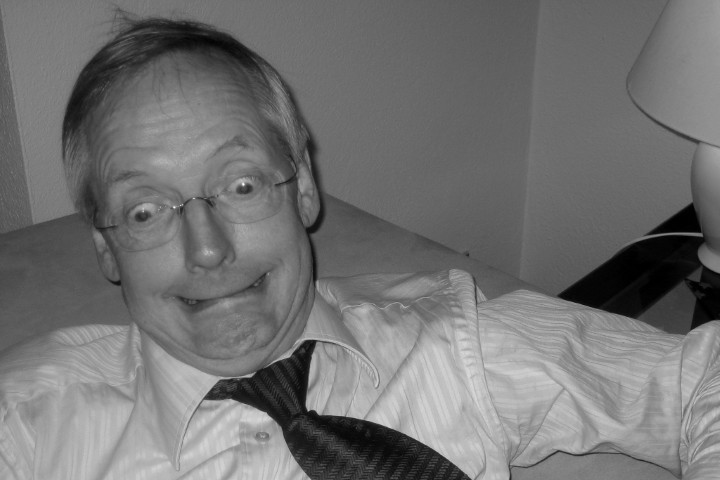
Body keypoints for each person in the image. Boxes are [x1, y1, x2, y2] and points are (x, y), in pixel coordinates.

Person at [1, 14, 720, 480]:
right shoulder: (27, 425)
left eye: (241, 185)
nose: (208, 250)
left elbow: (699, 380)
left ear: (303, 191)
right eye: (147, 211)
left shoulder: (455, 343)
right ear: (106, 248)